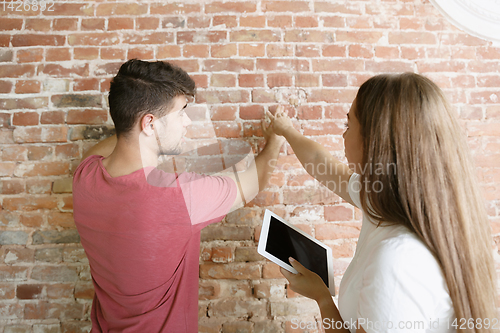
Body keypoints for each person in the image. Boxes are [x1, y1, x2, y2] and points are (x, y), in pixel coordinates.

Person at [268, 73, 498, 333]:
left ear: (374, 141)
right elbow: (325, 168)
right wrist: (286, 130)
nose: (343, 135)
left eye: (348, 125)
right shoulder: (391, 200)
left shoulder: (397, 263)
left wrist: (322, 298)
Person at [72, 59, 285, 333]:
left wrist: (131, 124)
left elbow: (112, 142)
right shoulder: (180, 197)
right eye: (181, 112)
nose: (187, 121)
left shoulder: (86, 176)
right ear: (150, 123)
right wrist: (276, 139)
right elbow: (253, 182)